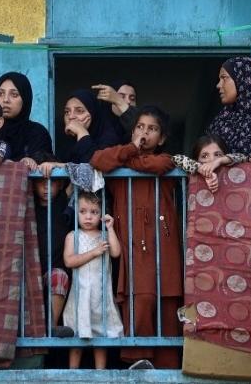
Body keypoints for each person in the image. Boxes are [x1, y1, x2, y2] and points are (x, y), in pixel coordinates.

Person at [90, 105, 182, 369]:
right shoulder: (120, 160)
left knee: (167, 297)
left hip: (162, 243)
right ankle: (139, 361)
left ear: (161, 138)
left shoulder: (165, 161)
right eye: (140, 127)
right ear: (132, 131)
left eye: (152, 129)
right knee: (139, 298)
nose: (145, 133)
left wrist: (127, 160)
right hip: (133, 244)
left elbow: (162, 163)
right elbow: (98, 160)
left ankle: (167, 366)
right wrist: (130, 151)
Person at [62, 192, 123, 369]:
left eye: (94, 212)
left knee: (100, 334)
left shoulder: (104, 236)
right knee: (77, 335)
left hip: (100, 294)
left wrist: (110, 228)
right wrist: (93, 253)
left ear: (102, 214)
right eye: (83, 211)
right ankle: (72, 375)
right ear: (76, 212)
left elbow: (116, 252)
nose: (88, 216)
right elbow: (69, 261)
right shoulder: (73, 236)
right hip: (81, 293)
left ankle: (100, 375)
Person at [30, 151, 74, 336]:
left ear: (61, 183)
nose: (46, 188)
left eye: (52, 182)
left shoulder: (63, 201)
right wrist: (27, 164)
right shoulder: (27, 202)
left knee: (59, 277)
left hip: (53, 269)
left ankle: (51, 327)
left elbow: (83, 170)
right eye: (41, 182)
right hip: (30, 270)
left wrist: (59, 168)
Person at [0, 72, 53, 169]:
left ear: (25, 99)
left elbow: (45, 171)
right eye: (0, 94)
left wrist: (31, 162)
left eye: (14, 94)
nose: (5, 100)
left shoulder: (37, 133)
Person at [172, 134, 249, 193]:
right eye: (204, 156)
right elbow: (175, 158)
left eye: (217, 154)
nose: (211, 159)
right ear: (196, 159)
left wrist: (219, 161)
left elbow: (243, 157)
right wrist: (200, 169)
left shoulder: (228, 165)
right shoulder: (193, 169)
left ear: (225, 155)